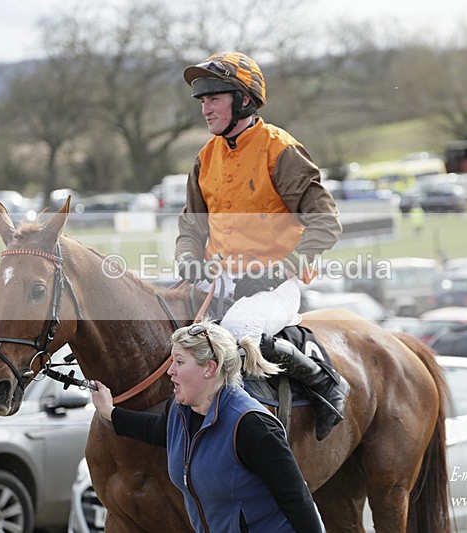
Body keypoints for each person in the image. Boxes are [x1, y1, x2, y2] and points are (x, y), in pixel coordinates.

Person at [174, 51, 347, 439]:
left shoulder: (279, 150)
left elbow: (325, 220)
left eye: (214, 98)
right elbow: (191, 225)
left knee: (235, 330)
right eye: (202, 100)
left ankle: (324, 381)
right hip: (216, 283)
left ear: (244, 100)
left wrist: (280, 269)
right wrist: (187, 257)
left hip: (275, 286)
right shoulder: (204, 158)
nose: (206, 108)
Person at [90, 320, 324, 533]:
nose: (170, 372)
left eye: (179, 362)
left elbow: (297, 500)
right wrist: (109, 412)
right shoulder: (179, 411)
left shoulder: (252, 425)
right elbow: (157, 430)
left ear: (209, 369)